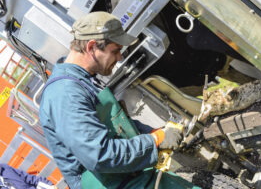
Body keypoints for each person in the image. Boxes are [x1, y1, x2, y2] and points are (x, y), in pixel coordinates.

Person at [39, 11, 195, 189]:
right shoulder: (65, 94)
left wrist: (157, 132)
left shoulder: (82, 81)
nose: (120, 57)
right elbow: (100, 155)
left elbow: (116, 126)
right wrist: (156, 140)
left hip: (127, 178)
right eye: (116, 51)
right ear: (91, 48)